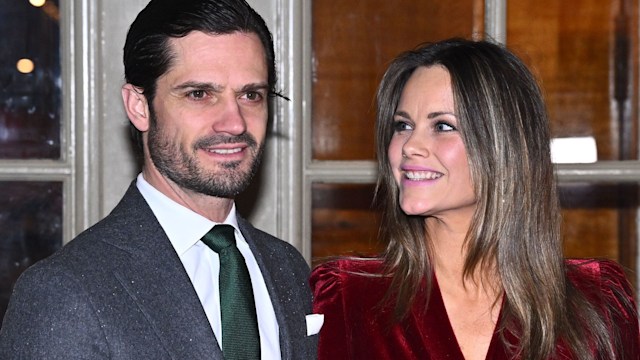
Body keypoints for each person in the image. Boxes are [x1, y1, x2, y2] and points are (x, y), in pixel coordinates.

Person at [0, 0, 318, 359]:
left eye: (250, 95)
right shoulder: (63, 292)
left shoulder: (287, 268)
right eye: (199, 94)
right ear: (139, 106)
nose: (235, 123)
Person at [311, 38, 639, 359]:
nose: (410, 145)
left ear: (504, 147)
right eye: (403, 125)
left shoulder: (597, 301)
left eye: (442, 125)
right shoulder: (345, 297)